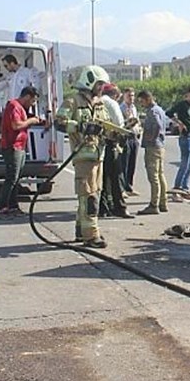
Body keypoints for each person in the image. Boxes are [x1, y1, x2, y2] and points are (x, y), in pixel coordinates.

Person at [54, 65, 112, 248]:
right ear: (90, 82)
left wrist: (115, 136)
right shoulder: (73, 101)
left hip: (98, 156)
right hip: (83, 156)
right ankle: (91, 236)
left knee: (95, 193)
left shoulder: (100, 103)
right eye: (100, 84)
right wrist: (80, 127)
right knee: (88, 197)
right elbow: (59, 123)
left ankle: (81, 230)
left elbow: (107, 126)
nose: (102, 88)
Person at [0, 86, 44, 218]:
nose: (33, 104)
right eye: (33, 101)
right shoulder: (14, 106)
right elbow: (16, 125)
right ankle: (2, 207)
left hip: (20, 146)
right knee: (11, 178)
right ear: (27, 97)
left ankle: (13, 206)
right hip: (12, 146)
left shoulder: (21, 108)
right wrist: (31, 121)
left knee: (16, 179)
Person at [99, 84, 133, 219]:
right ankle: (119, 207)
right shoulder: (112, 103)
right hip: (110, 144)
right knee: (116, 178)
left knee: (101, 178)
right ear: (116, 95)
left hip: (97, 144)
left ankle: (102, 208)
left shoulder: (97, 101)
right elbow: (119, 125)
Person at [137, 90, 170, 215]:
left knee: (153, 176)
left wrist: (151, 137)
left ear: (147, 99)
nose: (141, 104)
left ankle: (154, 204)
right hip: (160, 146)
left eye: (142, 101)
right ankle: (163, 202)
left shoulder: (152, 111)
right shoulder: (160, 109)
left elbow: (156, 125)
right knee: (160, 174)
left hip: (153, 147)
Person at [166, 86, 190, 198]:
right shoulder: (182, 105)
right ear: (187, 95)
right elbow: (169, 113)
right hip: (185, 137)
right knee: (184, 164)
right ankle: (177, 189)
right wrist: (179, 123)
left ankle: (185, 188)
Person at [119, 87, 141, 196]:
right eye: (129, 96)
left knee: (132, 163)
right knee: (125, 164)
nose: (131, 98)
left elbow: (137, 121)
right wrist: (128, 121)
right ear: (124, 96)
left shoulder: (134, 108)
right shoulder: (121, 108)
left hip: (135, 137)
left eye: (133, 95)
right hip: (126, 136)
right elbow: (121, 124)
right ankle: (122, 188)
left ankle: (129, 187)